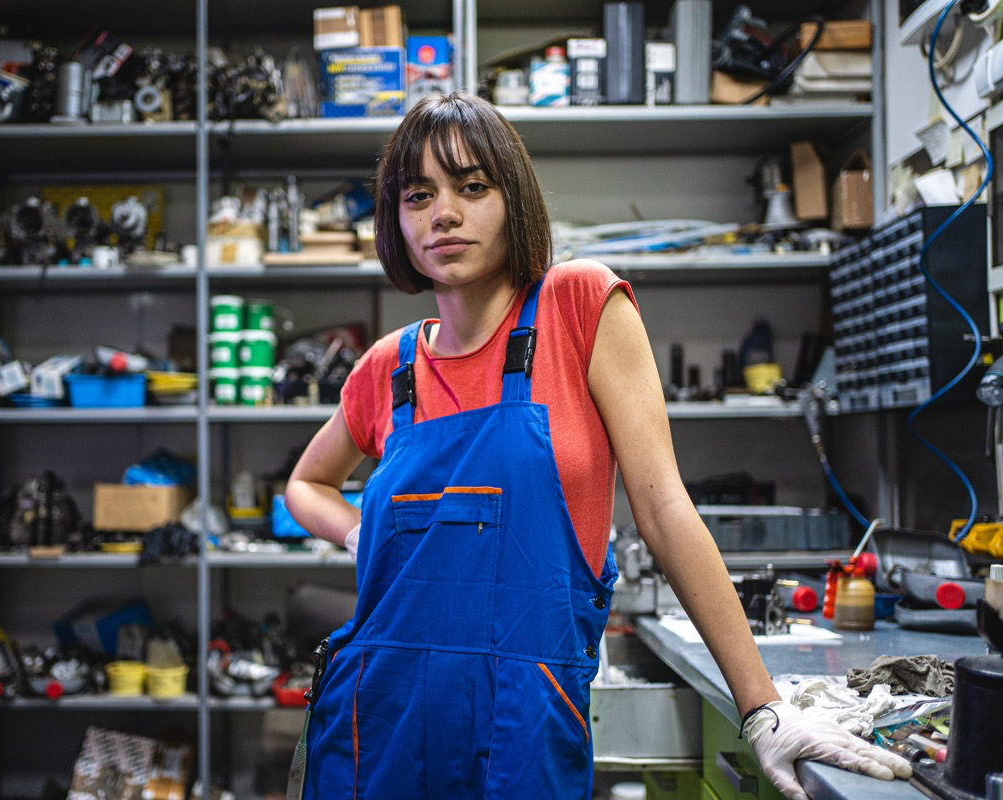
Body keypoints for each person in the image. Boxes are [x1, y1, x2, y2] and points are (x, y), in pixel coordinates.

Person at [283, 92, 911, 800]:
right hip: (379, 728)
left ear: (512, 199)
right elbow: (305, 485)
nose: (444, 214)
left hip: (519, 730)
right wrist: (360, 534)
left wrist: (762, 707)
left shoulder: (578, 306)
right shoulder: (387, 369)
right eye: (417, 195)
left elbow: (664, 509)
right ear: (395, 221)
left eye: (472, 186)